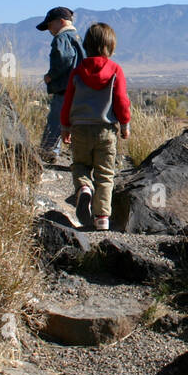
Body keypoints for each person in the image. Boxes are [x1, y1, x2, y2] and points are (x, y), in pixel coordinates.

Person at [60, 22, 131, 230]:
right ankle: (101, 218)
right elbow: (121, 100)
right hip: (106, 131)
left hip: (80, 129)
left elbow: (67, 102)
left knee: (80, 165)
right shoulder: (116, 70)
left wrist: (65, 126)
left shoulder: (77, 72)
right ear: (111, 47)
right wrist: (125, 124)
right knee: (105, 174)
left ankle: (84, 188)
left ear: (87, 46)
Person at [37, 7, 83, 162]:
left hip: (64, 88)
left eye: (50, 26)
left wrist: (51, 75)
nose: (49, 30)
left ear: (61, 22)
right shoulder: (78, 38)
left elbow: (65, 58)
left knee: (56, 119)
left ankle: (48, 151)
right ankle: (81, 157)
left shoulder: (61, 38)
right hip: (81, 89)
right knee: (77, 124)